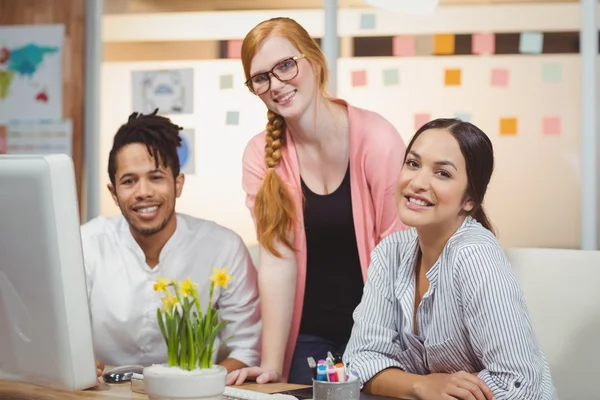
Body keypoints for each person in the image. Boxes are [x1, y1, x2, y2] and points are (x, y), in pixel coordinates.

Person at [226, 17, 407, 386]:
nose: (276, 85)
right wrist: (273, 366)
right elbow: (277, 261)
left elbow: (399, 255)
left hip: (378, 336)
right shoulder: (260, 155)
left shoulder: (377, 139)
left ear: (314, 61)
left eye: (285, 66)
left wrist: (375, 348)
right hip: (308, 339)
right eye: (261, 78)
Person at [343, 118, 558, 399]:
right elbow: (357, 363)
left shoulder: (474, 255)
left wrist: (419, 385)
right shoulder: (390, 252)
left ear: (469, 198)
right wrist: (423, 385)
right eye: (412, 163)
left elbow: (518, 383)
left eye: (442, 173)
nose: (417, 182)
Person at [81, 110, 261, 376]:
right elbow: (59, 334)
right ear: (114, 193)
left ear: (178, 184)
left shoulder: (223, 248)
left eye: (156, 178)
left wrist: (200, 385)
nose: (143, 192)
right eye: (129, 181)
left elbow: (247, 348)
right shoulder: (88, 243)